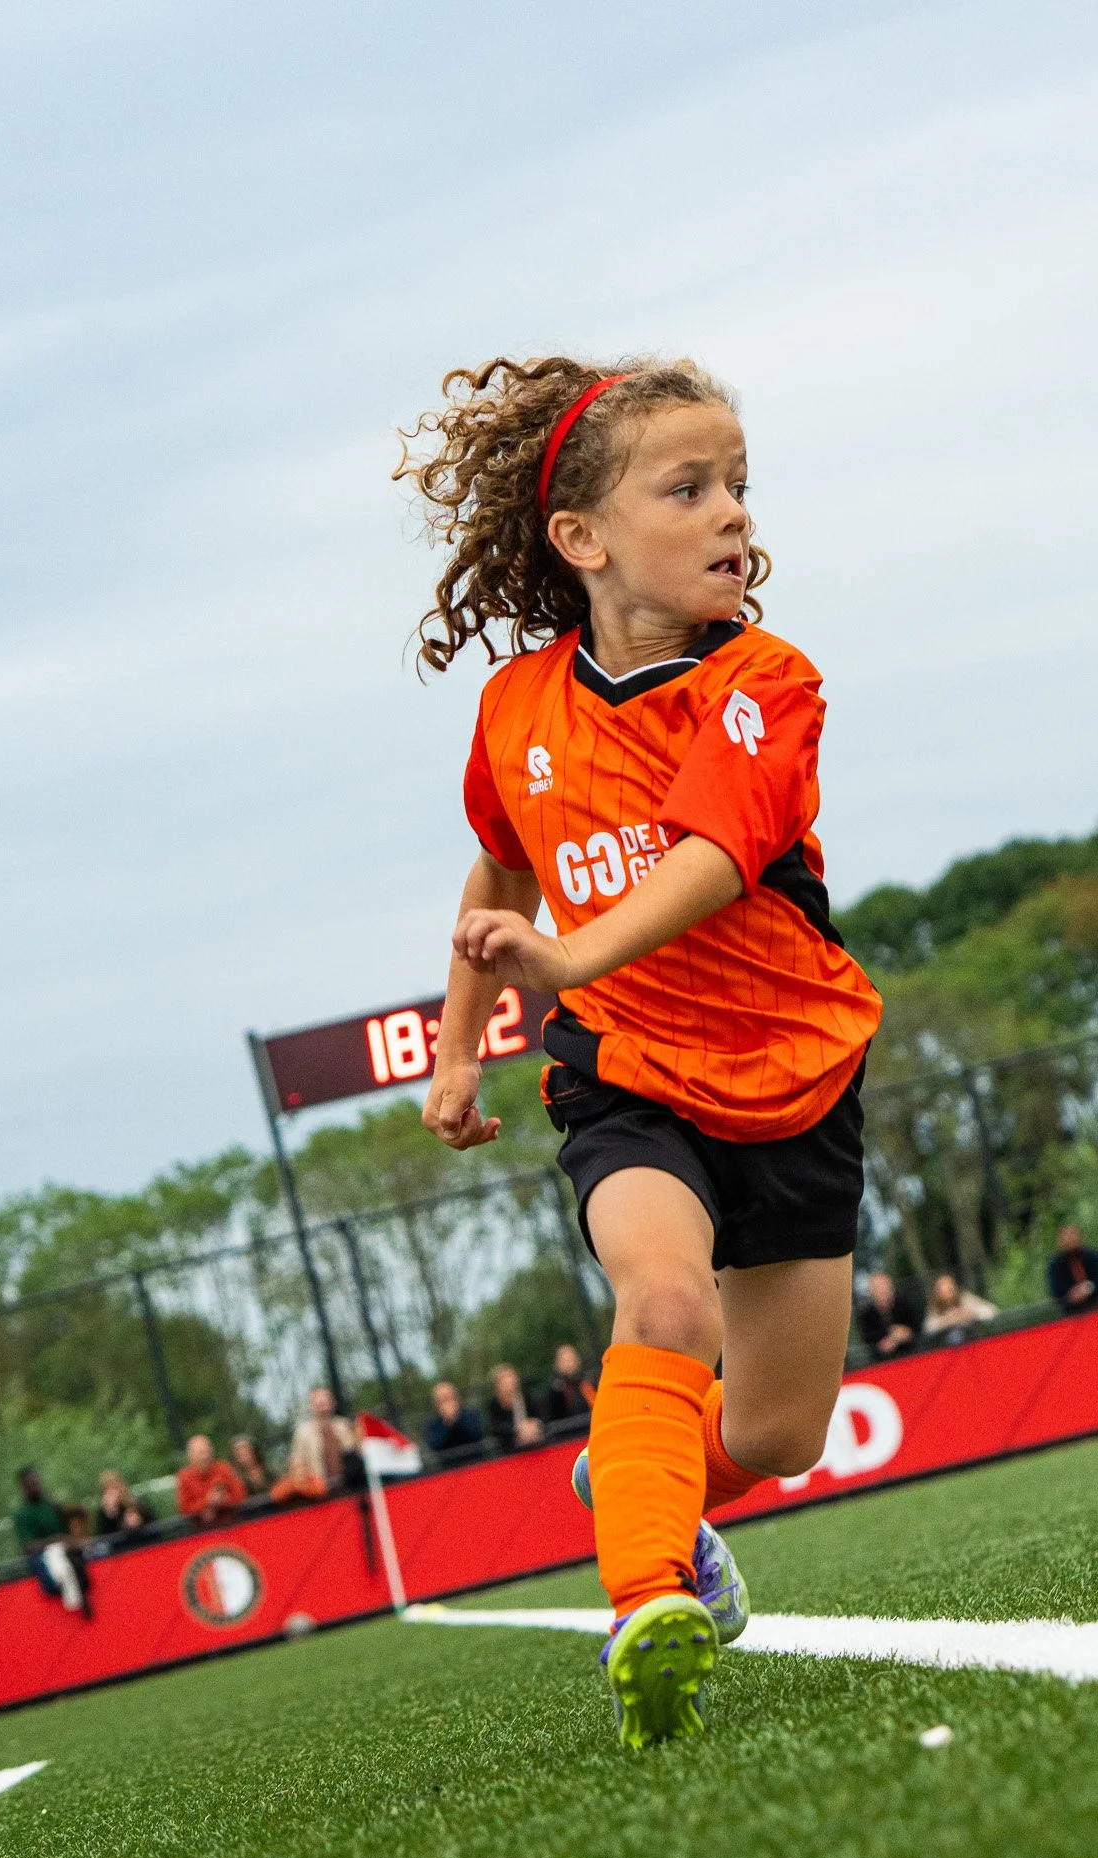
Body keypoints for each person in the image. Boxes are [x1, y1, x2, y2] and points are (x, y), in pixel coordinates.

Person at [407, 355, 882, 1747]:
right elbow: (496, 886)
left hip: (794, 1072)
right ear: (582, 537)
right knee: (662, 1304)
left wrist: (571, 951)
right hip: (625, 1073)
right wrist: (458, 1054)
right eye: (690, 486)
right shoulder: (514, 713)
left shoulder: (767, 683)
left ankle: (642, 1475)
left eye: (739, 484)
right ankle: (647, 1596)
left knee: (782, 1435)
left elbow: (715, 861)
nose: (732, 512)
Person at [13, 1466, 91, 1616]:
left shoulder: (50, 1504)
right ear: (23, 1486)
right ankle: (75, 1596)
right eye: (32, 1484)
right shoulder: (22, 1514)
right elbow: (28, 1546)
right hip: (46, 1554)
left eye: (37, 1482)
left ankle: (81, 1591)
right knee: (57, 1559)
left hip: (68, 1548)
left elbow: (70, 1522)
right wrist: (56, 1541)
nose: (36, 1486)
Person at [270, 1387, 360, 1502]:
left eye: (325, 1402)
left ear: (332, 1403)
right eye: (319, 1403)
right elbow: (297, 1463)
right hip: (320, 1495)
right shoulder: (303, 1433)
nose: (323, 1407)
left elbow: (355, 1452)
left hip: (349, 1489)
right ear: (312, 1406)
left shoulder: (343, 1425)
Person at [176, 1435, 247, 1524]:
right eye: (200, 1453)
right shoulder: (184, 1477)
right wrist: (207, 1502)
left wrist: (223, 1501)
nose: (205, 1456)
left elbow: (241, 1496)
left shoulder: (224, 1468)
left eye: (207, 1452)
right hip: (203, 1532)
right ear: (190, 1456)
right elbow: (184, 1509)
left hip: (232, 1523)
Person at [855, 1272, 921, 1359]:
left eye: (884, 1287)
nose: (882, 1292)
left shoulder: (905, 1304)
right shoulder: (866, 1316)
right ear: (871, 1292)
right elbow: (870, 1346)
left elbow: (921, 1331)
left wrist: (908, 1334)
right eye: (877, 1289)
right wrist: (889, 1342)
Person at [1046, 1226, 1098, 1313]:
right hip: (1071, 1313)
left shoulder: (1092, 1257)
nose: (1070, 1240)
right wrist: (1073, 1294)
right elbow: (1055, 1288)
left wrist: (1088, 1288)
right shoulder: (1055, 1264)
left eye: (1073, 1236)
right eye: (1067, 1238)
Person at [484, 1365, 546, 1451]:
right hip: (509, 1452)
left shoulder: (528, 1399)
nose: (510, 1386)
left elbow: (541, 1417)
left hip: (536, 1445)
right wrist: (517, 1429)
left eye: (512, 1380)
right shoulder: (493, 1407)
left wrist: (533, 1425)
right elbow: (495, 1428)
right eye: (505, 1383)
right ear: (497, 1387)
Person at [424, 1379, 487, 1456]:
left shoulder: (472, 1414)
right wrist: (448, 1422)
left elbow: (477, 1434)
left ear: (456, 1398)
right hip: (451, 1466)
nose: (446, 1403)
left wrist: (456, 1418)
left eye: (448, 1397)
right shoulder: (432, 1423)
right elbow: (435, 1445)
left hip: (477, 1462)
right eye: (442, 1400)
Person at [922, 1274, 997, 1337]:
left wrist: (971, 1314)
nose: (949, 1288)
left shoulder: (966, 1299)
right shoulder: (934, 1310)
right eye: (944, 1287)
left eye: (950, 1285)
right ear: (937, 1293)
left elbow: (992, 1311)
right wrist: (945, 1322)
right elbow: (928, 1331)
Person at [546, 1342, 597, 1424]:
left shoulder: (588, 1383)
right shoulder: (556, 1391)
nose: (569, 1364)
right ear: (558, 1365)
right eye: (565, 1360)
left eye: (571, 1359)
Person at [94, 1471, 154, 1538]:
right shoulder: (103, 1514)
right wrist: (111, 1514)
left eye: (114, 1489)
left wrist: (139, 1521)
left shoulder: (136, 1505)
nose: (111, 1494)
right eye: (107, 1491)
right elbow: (106, 1538)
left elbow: (153, 1527)